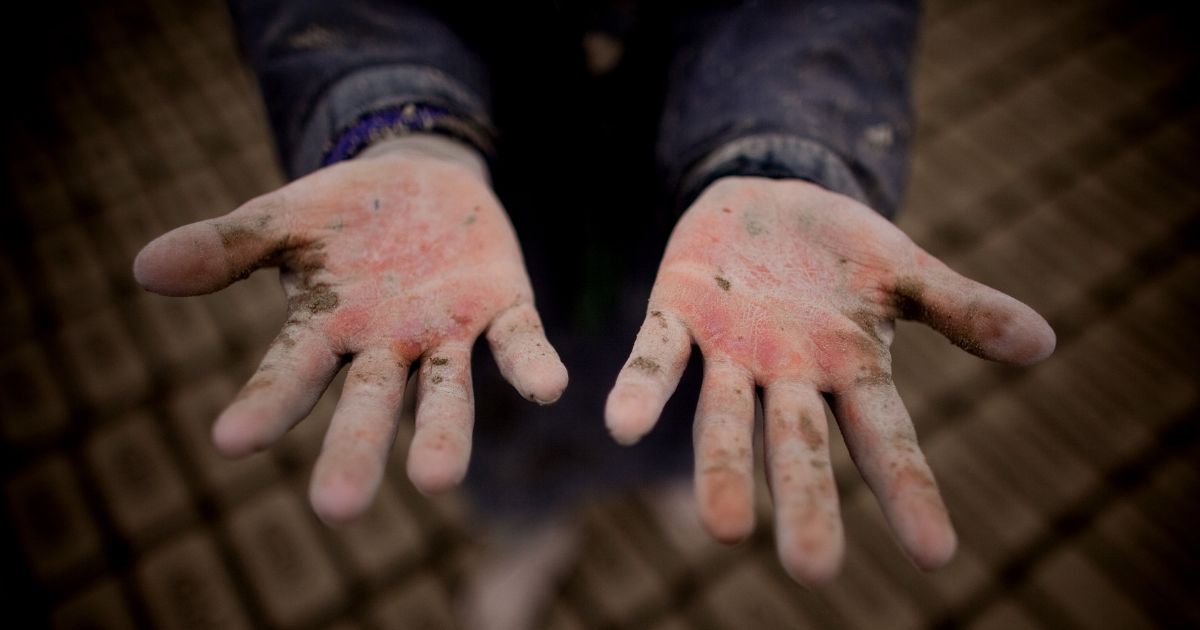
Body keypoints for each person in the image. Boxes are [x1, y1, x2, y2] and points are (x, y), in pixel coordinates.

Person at [133, 0, 1055, 625]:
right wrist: (399, 119)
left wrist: (786, 154)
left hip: (698, 211)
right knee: (503, 404)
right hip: (491, 201)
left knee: (703, 383)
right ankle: (534, 521)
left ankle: (664, 474)